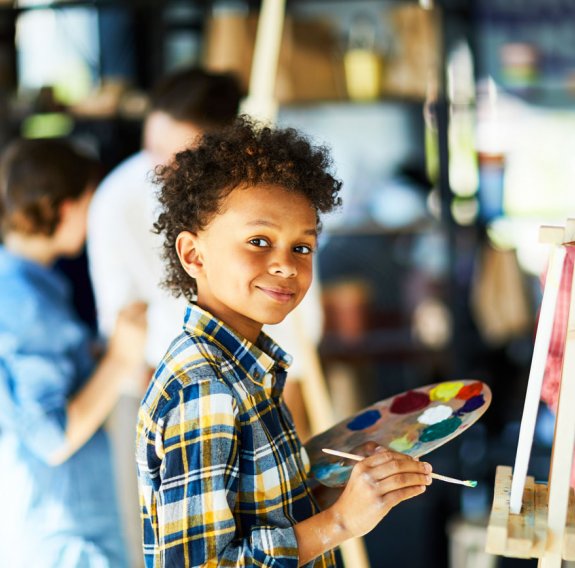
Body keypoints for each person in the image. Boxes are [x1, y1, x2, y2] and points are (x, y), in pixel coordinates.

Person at [136, 117, 433, 566]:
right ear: (194, 254)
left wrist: (336, 484)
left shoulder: (246, 369)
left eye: (302, 247)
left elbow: (258, 511)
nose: (286, 266)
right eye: (259, 241)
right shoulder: (205, 389)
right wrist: (341, 523)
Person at [0, 138, 147, 567]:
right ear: (65, 209)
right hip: (63, 534)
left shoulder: (25, 286)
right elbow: (51, 437)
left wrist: (100, 358)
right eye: (90, 203)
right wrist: (120, 358)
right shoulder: (24, 302)